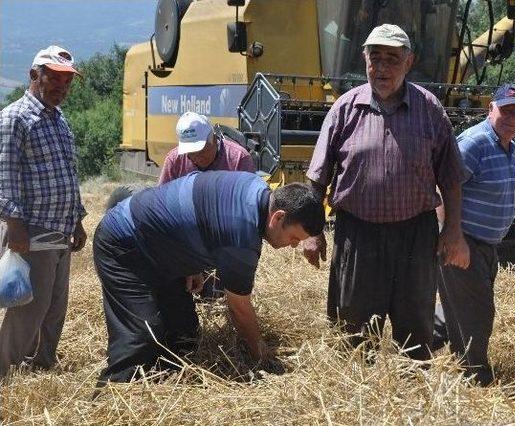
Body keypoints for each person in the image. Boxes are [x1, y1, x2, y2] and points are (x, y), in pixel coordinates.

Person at [302, 24, 469, 361]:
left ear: (409, 62)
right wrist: (312, 232)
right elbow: (317, 178)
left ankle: (410, 394)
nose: (382, 67)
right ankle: (356, 397)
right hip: (358, 234)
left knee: (416, 326)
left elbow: (450, 177)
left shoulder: (430, 109)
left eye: (392, 58)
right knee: (353, 326)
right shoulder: (345, 109)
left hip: (415, 236)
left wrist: (453, 231)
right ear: (365, 60)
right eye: (375, 57)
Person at [93, 171, 325, 384]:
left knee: (184, 333)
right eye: (294, 237)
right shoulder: (241, 234)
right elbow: (239, 310)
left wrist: (192, 263)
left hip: (162, 250)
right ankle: (110, 394)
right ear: (277, 218)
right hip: (123, 244)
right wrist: (262, 355)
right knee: (141, 337)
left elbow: (201, 209)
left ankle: (164, 384)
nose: (293, 245)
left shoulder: (255, 186)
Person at [0, 46, 86, 377]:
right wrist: (15, 227)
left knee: (54, 306)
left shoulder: (59, 121)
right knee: (28, 308)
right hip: (31, 229)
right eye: (55, 79)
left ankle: (41, 367)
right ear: (35, 75)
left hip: (59, 229)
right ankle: (5, 372)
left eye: (67, 82)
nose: (62, 88)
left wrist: (76, 220)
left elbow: (68, 173)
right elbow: (5, 176)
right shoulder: (15, 117)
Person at [438, 84, 515, 385]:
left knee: (457, 308)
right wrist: (453, 239)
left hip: (487, 246)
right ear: (491, 108)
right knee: (478, 314)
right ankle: (475, 377)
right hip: (464, 241)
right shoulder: (475, 143)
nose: (511, 118)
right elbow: (441, 190)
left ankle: (415, 349)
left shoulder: (511, 147)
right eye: (506, 110)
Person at [158, 111, 255, 184]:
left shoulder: (239, 159)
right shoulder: (174, 161)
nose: (197, 159)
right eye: (191, 154)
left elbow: (250, 202)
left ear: (213, 138)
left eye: (201, 151)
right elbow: (160, 202)